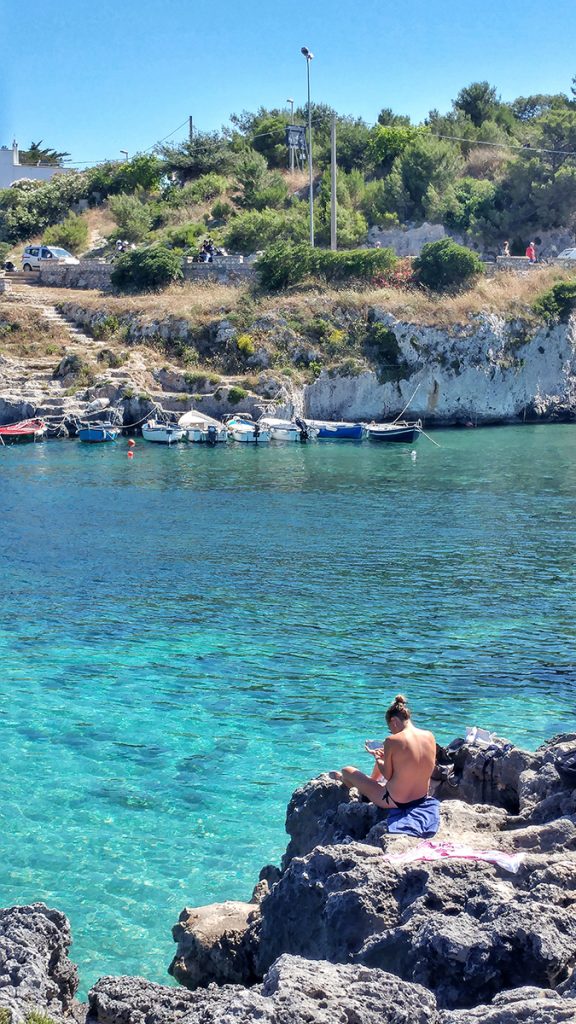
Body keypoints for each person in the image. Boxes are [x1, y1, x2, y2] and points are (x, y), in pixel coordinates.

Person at [329, 695, 440, 836]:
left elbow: (387, 774)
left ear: (393, 721)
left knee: (347, 771)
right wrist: (384, 758)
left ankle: (349, 782)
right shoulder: (429, 735)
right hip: (421, 797)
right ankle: (370, 782)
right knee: (386, 764)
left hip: (395, 800)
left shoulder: (392, 740)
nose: (391, 732)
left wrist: (378, 758)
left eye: (390, 729)